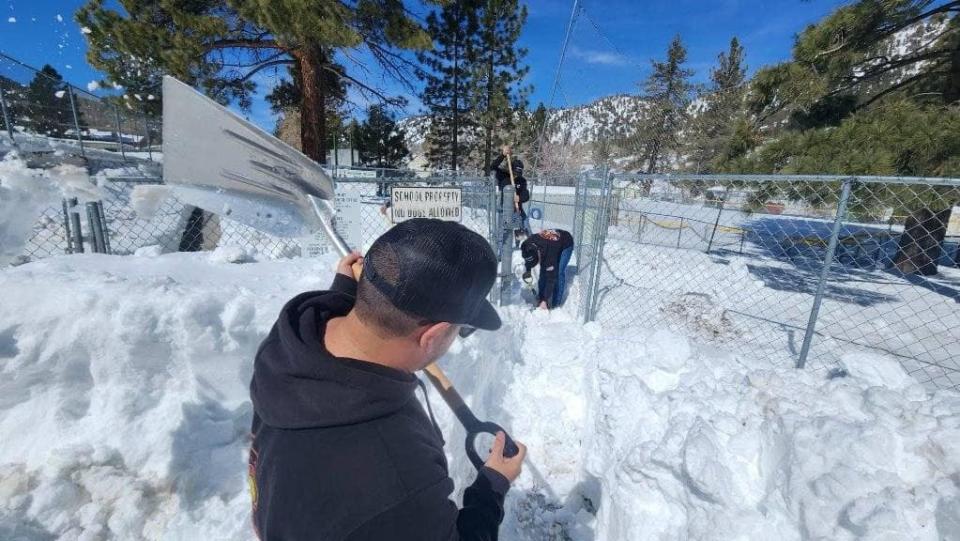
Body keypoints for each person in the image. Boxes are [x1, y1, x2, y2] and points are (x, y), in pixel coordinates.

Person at [248, 218, 527, 540]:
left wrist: (343, 292)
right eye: (462, 329)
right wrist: (491, 487)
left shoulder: (291, 346)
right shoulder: (399, 474)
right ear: (432, 335)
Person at [521, 229, 574, 310]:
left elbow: (551, 278)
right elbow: (528, 259)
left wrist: (545, 300)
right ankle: (541, 298)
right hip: (551, 244)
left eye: (537, 261)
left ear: (538, 254)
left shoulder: (549, 253)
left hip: (566, 243)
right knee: (543, 271)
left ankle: (555, 305)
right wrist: (528, 271)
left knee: (558, 273)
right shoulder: (526, 245)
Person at [489, 145, 531, 242]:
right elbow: (492, 167)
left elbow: (526, 194)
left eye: (518, 174)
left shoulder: (522, 181)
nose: (516, 176)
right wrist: (503, 155)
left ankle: (522, 244)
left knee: (526, 230)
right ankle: (499, 252)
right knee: (501, 234)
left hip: (517, 210)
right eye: (515, 173)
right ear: (511, 169)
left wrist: (519, 198)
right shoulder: (503, 176)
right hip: (504, 210)